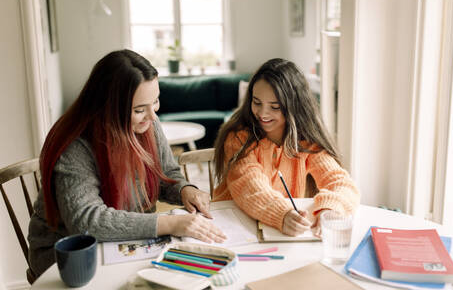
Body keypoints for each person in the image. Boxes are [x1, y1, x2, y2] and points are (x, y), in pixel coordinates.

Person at [28, 49, 226, 277]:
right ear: (107, 108)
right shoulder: (76, 145)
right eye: (139, 110)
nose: (152, 117)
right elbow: (87, 221)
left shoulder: (148, 124)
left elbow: (167, 173)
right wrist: (171, 223)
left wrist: (185, 190)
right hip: (68, 257)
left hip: (119, 242)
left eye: (156, 101)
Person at [213, 58, 360, 237]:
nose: (262, 113)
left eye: (274, 107)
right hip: (231, 225)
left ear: (295, 107)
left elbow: (341, 183)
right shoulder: (239, 138)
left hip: (275, 233)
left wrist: (330, 209)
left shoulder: (306, 142)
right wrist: (281, 214)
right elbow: (250, 186)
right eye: (257, 102)